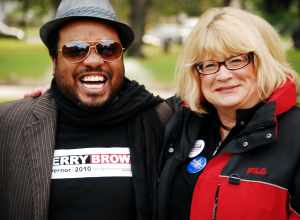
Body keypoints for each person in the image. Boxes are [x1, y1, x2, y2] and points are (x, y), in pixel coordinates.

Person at [0, 0, 173, 219]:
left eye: (108, 49)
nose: (93, 60)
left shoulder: (161, 120)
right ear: (54, 61)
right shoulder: (9, 125)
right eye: (75, 50)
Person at [158, 7, 300, 220]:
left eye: (236, 60)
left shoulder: (295, 136)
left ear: (264, 61)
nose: (223, 75)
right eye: (209, 65)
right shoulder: (179, 124)